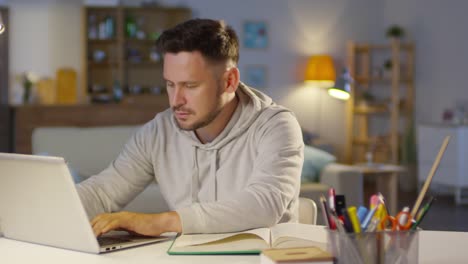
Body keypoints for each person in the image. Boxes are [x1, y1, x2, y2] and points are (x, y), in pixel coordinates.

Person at [77, 18, 304, 237]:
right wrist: (50, 208)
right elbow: (102, 192)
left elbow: (264, 204)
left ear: (229, 81)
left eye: (190, 85)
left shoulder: (277, 126)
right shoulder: (158, 132)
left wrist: (159, 221)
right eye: (170, 84)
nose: (176, 100)